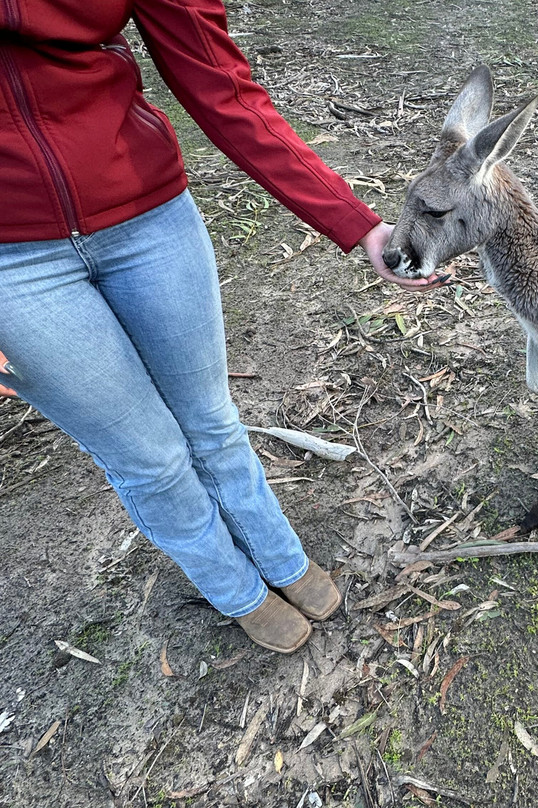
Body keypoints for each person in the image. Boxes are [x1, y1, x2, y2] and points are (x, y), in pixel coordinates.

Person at [0, 0, 445, 654]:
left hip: (148, 217)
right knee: (147, 457)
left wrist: (355, 222)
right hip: (11, 262)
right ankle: (235, 590)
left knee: (209, 418)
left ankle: (281, 559)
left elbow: (223, 86)